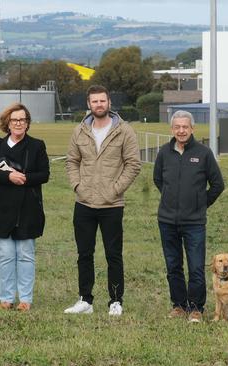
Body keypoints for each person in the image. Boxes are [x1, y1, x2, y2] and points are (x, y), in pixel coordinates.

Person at [64, 85, 141, 316]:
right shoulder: (79, 131)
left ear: (109, 103)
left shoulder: (124, 131)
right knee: (84, 254)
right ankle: (85, 300)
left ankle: (116, 301)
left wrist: (115, 190)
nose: (99, 105)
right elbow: (71, 161)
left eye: (102, 101)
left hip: (112, 205)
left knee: (113, 254)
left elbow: (133, 164)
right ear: (89, 104)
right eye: (94, 101)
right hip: (84, 203)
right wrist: (78, 186)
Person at [153, 110, 224, 323]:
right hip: (167, 221)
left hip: (194, 223)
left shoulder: (203, 153)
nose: (181, 131)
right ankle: (179, 305)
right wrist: (170, 199)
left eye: (185, 127)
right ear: (172, 129)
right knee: (173, 266)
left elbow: (218, 184)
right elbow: (158, 180)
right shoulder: (164, 152)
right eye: (177, 127)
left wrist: (199, 204)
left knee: (195, 266)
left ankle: (195, 308)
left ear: (192, 128)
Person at [0, 103, 50, 312]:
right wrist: (8, 176)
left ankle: (25, 299)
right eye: (14, 120)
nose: (18, 123)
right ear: (7, 123)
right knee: (6, 254)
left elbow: (44, 174)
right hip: (3, 209)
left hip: (28, 209)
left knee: (25, 254)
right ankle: (6, 298)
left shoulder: (37, 145)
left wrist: (25, 178)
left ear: (27, 123)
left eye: (22, 120)